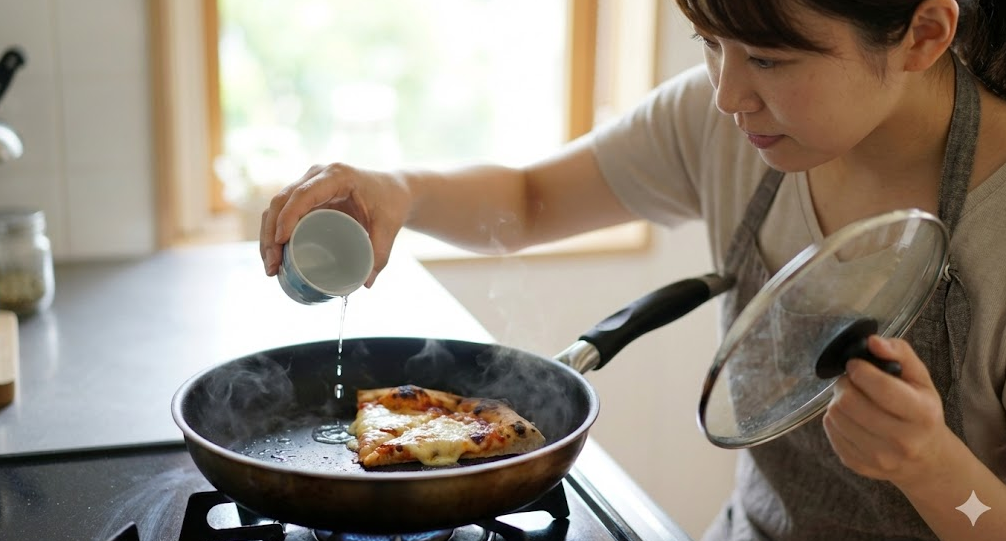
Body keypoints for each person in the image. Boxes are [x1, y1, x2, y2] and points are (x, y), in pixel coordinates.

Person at [259, 0, 1006, 539]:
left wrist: (930, 466)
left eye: (770, 58)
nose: (727, 92)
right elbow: (529, 200)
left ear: (925, 34)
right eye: (709, 41)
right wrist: (403, 189)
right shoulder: (731, 125)